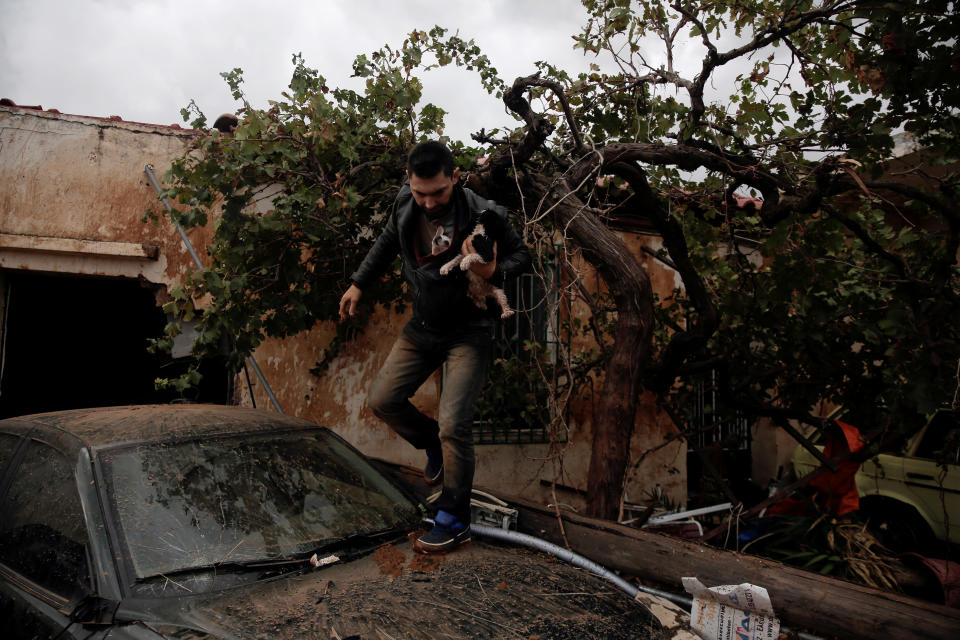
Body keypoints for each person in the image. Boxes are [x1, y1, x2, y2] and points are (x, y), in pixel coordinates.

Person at [339, 140, 531, 552]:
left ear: (455, 178)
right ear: (409, 182)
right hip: (423, 327)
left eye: (438, 192)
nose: (428, 202)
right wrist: (358, 282)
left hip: (470, 330)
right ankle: (431, 445)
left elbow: (522, 256)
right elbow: (388, 241)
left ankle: (454, 517)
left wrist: (496, 269)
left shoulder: (486, 213)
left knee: (455, 426)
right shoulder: (406, 202)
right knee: (383, 400)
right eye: (420, 192)